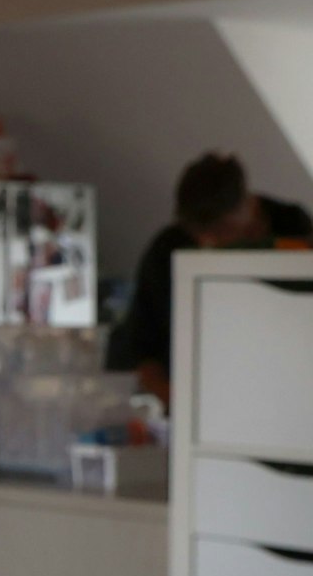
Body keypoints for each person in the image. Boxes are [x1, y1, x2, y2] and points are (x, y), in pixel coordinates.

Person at [108, 151, 312, 403]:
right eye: (199, 233)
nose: (209, 242)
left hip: (278, 388)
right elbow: (141, 344)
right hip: (188, 392)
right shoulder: (169, 250)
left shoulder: (293, 229)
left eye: (220, 230)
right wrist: (179, 405)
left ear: (249, 205)